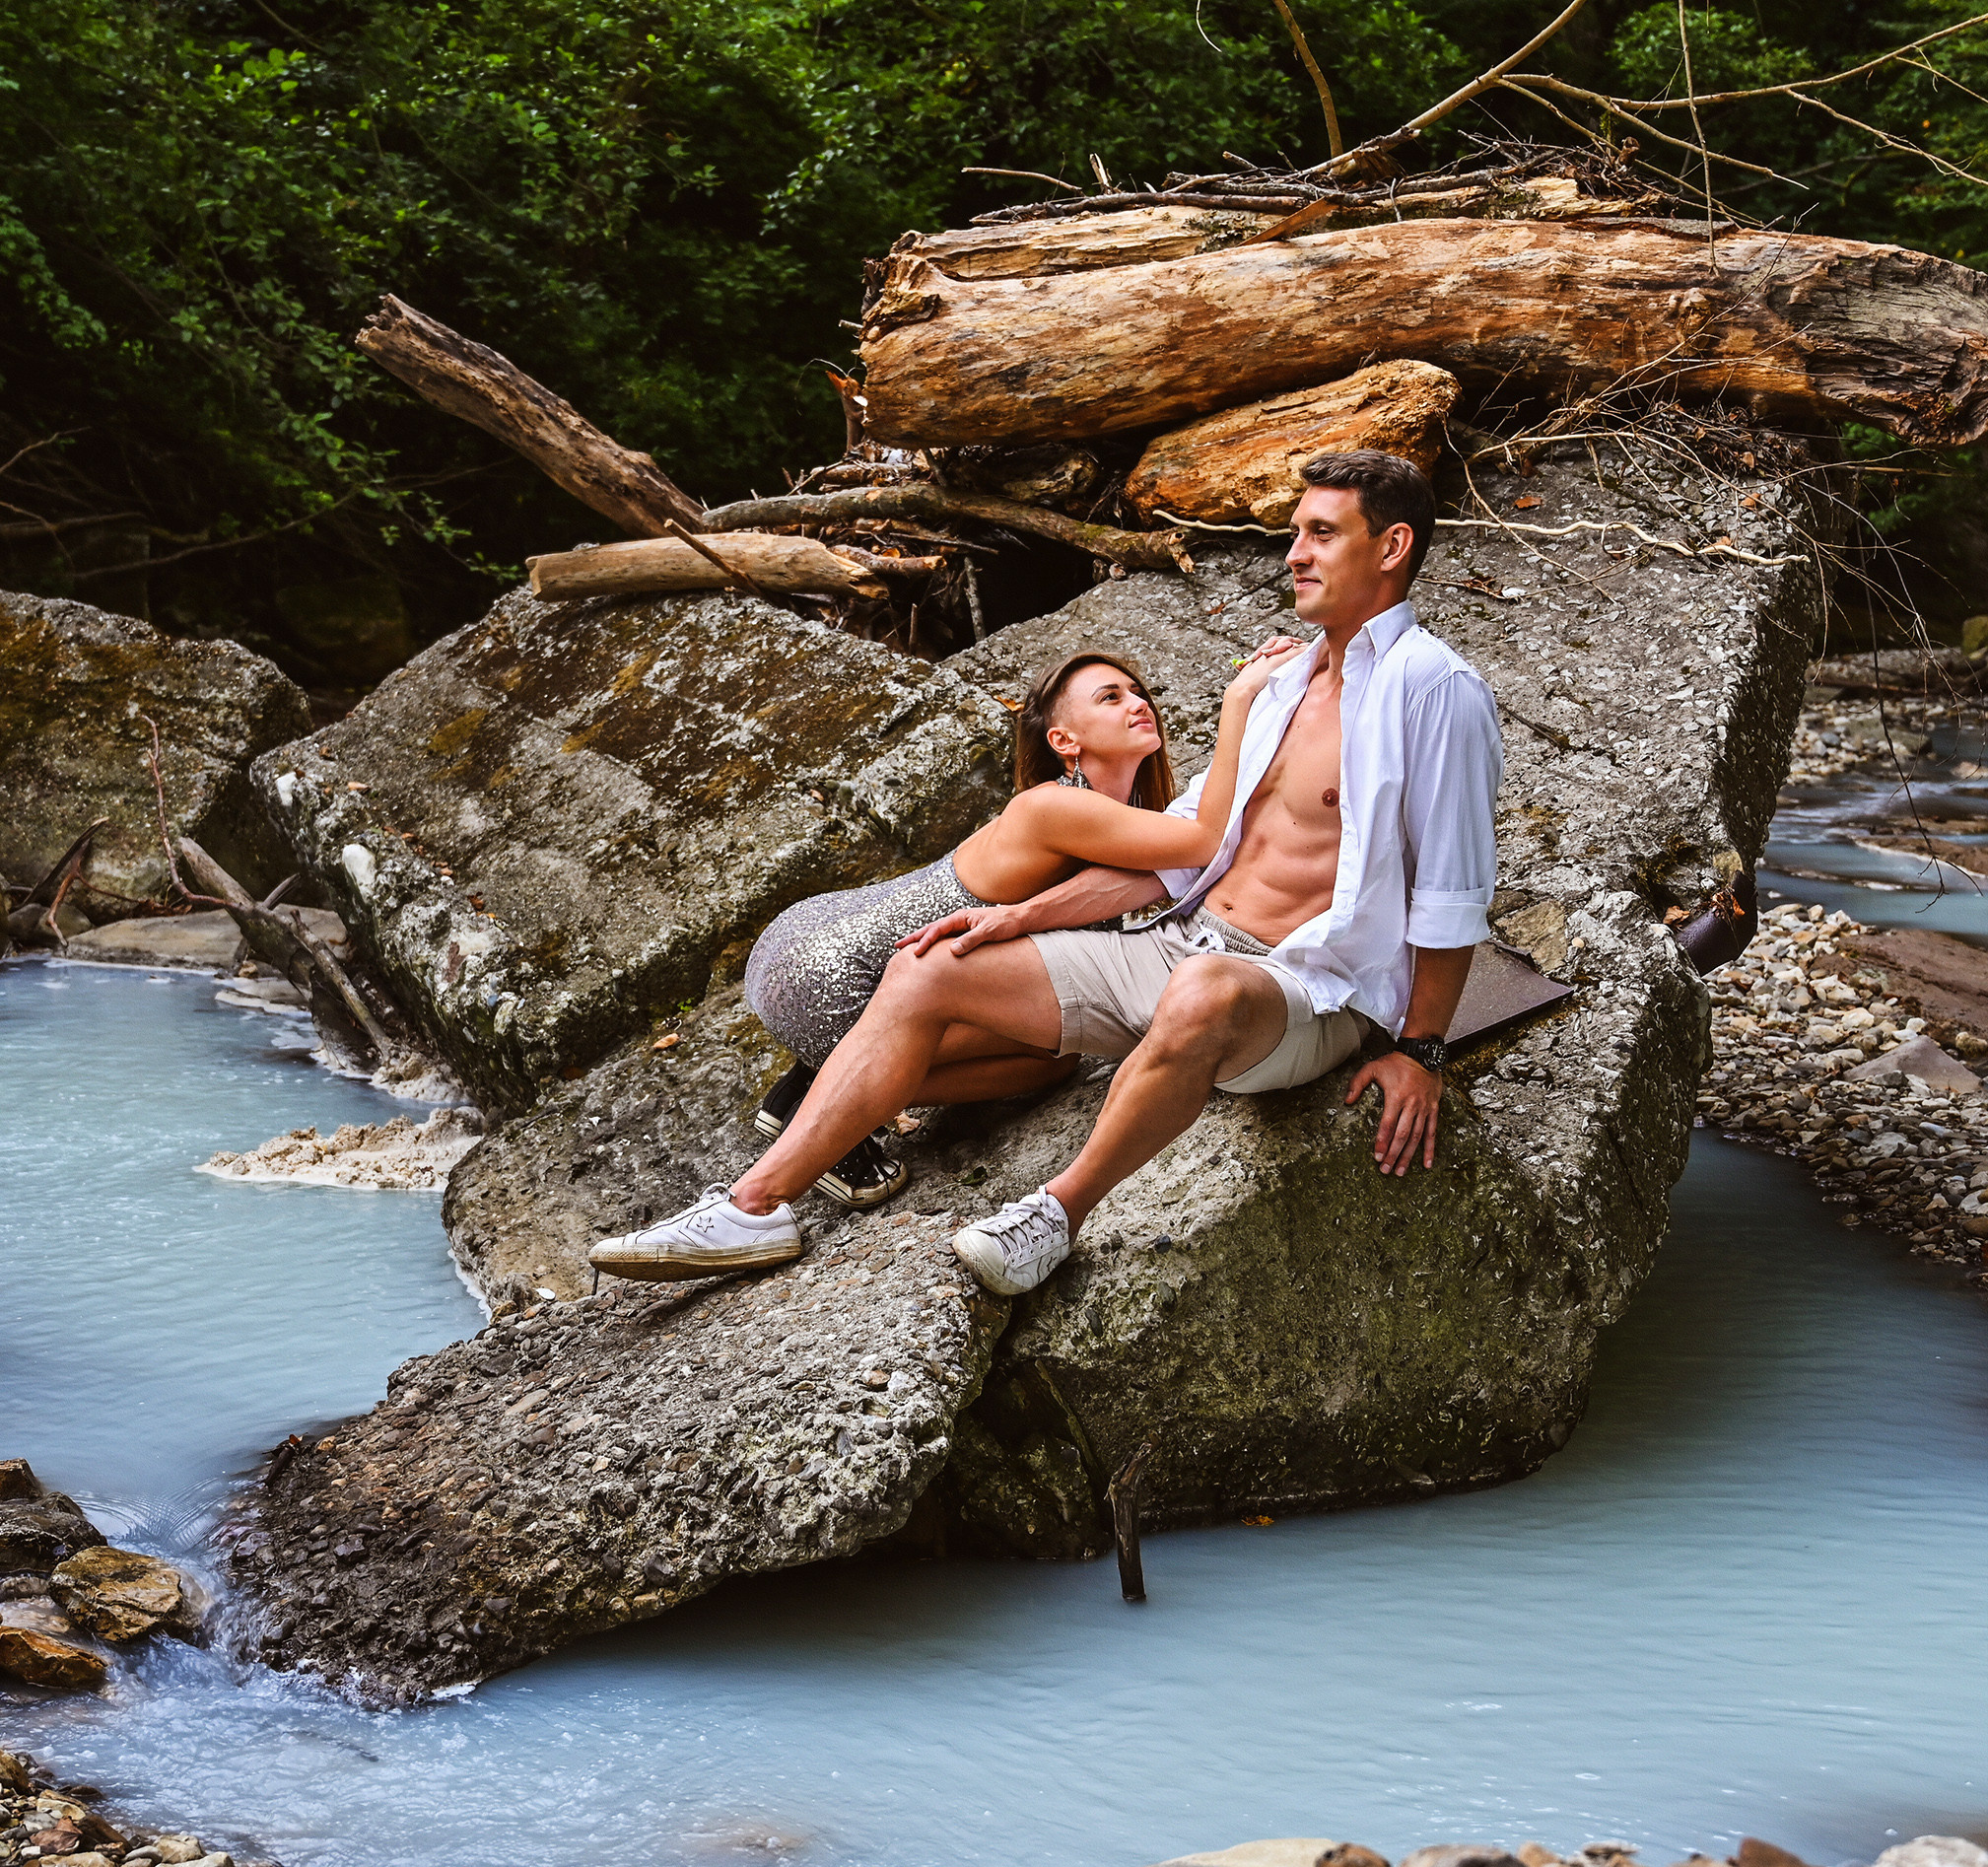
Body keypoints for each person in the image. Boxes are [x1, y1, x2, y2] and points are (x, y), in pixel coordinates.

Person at [589, 449, 1500, 1292]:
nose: (1294, 553)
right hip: (1176, 947)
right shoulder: (1284, 683)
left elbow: (1453, 896)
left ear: (1392, 547)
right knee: (928, 967)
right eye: (1295, 531)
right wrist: (1019, 920)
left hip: (1298, 994)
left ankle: (1055, 1215)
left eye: (1320, 533)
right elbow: (1189, 857)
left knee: (1207, 993)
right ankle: (756, 1207)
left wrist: (1417, 1051)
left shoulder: (1437, 691)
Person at [739, 644, 1300, 1209]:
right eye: (1110, 697)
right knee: (1050, 1058)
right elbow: (1207, 841)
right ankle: (826, 1103)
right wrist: (1241, 701)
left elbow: (1186, 860)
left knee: (1055, 1049)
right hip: (830, 971)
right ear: (1064, 742)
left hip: (821, 943)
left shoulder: (1116, 816)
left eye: (1138, 693)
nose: (1136, 704)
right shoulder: (1054, 807)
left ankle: (809, 1083)